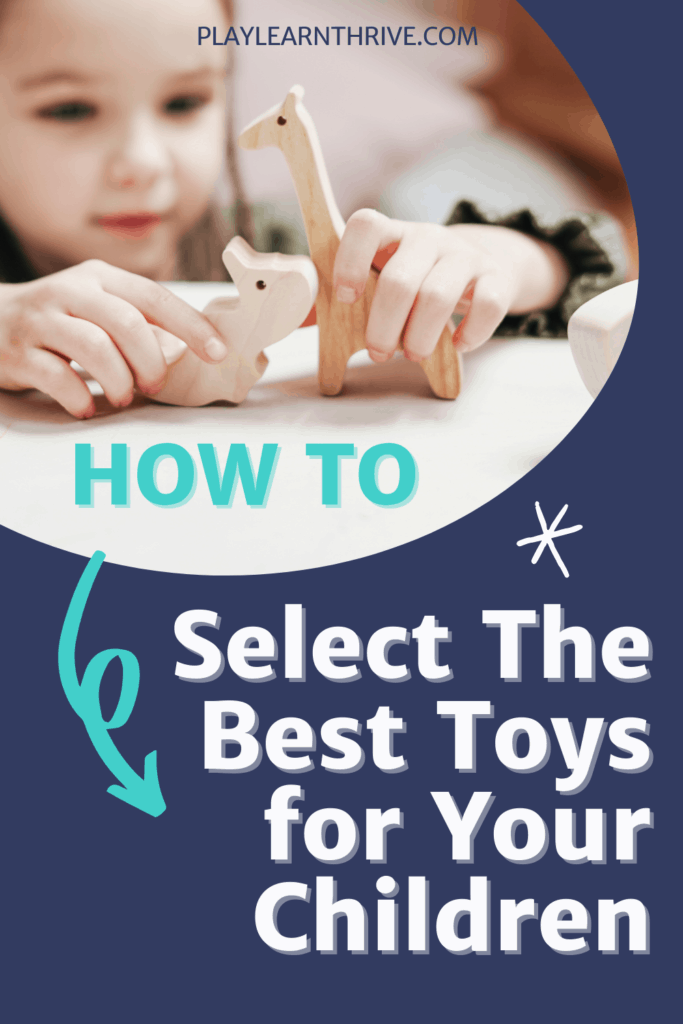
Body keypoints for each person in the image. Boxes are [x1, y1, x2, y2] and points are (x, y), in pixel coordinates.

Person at [0, 0, 610, 418]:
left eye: (184, 102)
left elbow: (602, 282)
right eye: (69, 110)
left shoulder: (281, 250)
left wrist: (506, 259)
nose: (144, 162)